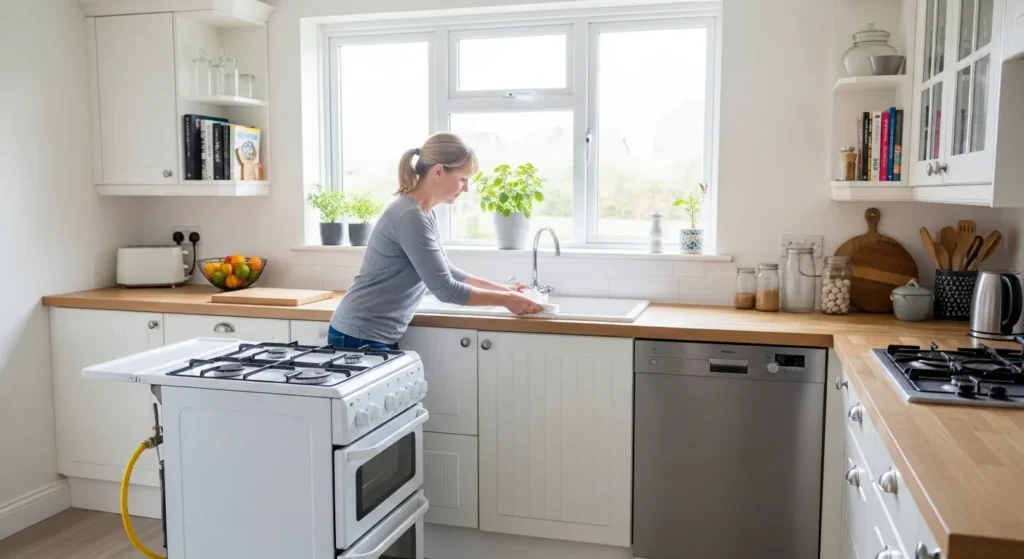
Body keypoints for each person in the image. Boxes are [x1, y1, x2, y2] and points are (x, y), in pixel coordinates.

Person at [327, 132, 542, 350]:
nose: (466, 188)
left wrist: (505, 290)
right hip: (358, 335)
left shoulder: (423, 212)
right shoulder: (410, 216)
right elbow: (446, 290)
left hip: (371, 334)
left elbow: (446, 270)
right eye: (462, 179)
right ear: (438, 171)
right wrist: (505, 301)